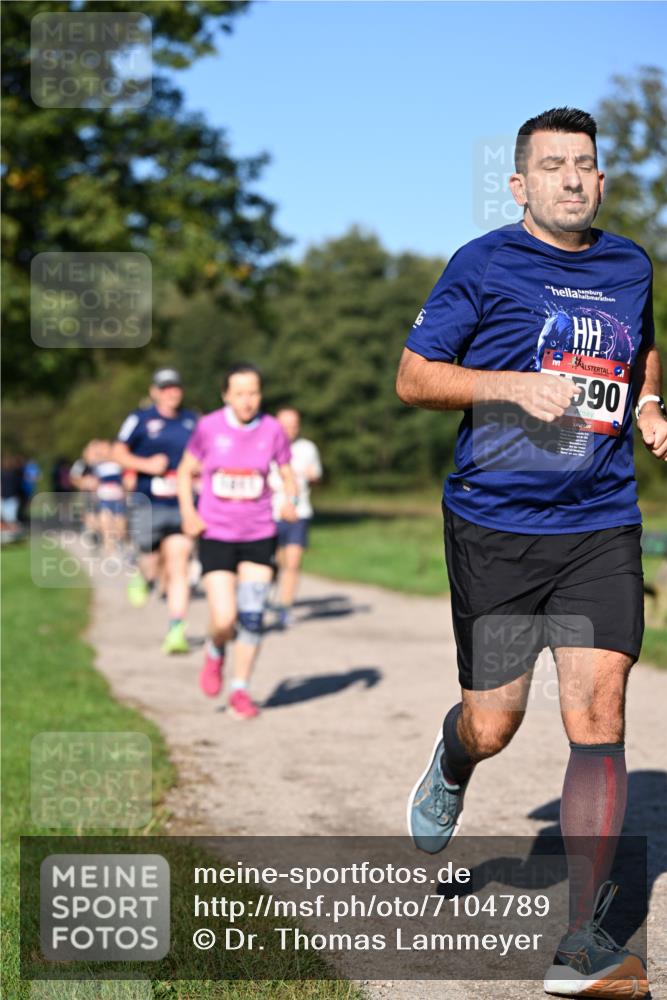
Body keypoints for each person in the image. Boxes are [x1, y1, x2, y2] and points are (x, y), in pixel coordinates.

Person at [396, 107, 665, 999]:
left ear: (600, 178)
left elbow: (639, 351)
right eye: (551, 166)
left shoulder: (630, 263)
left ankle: (582, 942)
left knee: (598, 710)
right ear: (520, 184)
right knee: (495, 721)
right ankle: (453, 756)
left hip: (598, 521)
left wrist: (647, 407)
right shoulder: (482, 264)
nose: (571, 179)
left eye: (584, 165)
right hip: (496, 528)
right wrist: (507, 384)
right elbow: (414, 377)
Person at [177, 363, 299, 720]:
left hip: (259, 533)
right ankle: (215, 650)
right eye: (240, 393)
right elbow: (186, 471)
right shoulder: (208, 427)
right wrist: (188, 512)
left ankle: (240, 690)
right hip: (216, 533)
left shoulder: (273, 429)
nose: (248, 400)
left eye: (254, 392)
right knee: (225, 617)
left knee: (252, 615)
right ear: (226, 395)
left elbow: (287, 472)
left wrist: (289, 499)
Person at [112, 368, 197, 654]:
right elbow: (117, 452)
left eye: (176, 387)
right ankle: (143, 576)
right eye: (165, 388)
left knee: (179, 564)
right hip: (148, 502)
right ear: (154, 391)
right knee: (151, 558)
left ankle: (176, 630)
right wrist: (147, 465)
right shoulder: (140, 419)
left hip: (181, 504)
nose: (171, 392)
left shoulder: (192, 420)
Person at [269, 407, 322, 628]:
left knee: (293, 562)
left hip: (299, 513)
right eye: (285, 426)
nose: (290, 430)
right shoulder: (264, 445)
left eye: (294, 425)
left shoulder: (307, 448)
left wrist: (312, 474)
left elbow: (317, 474)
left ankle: (285, 608)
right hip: (269, 512)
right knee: (275, 562)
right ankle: (269, 587)